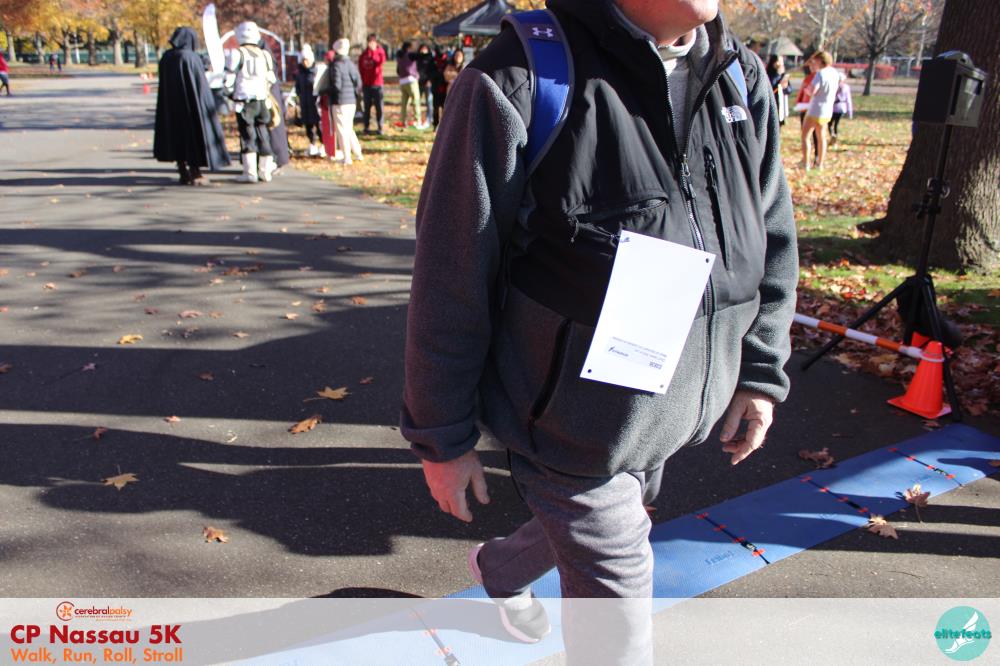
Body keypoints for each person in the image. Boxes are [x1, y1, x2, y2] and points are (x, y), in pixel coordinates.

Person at [401, 0, 797, 661]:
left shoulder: (739, 73)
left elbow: (772, 232)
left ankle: (500, 569)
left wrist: (759, 370)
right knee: (618, 574)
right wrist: (441, 437)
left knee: (616, 515)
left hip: (665, 414)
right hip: (569, 427)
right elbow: (451, 271)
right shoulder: (520, 73)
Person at [153, 27, 230, 185]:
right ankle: (195, 172)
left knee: (176, 136)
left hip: (171, 106)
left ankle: (182, 170)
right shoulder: (190, 57)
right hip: (191, 105)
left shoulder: (166, 57)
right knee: (193, 136)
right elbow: (199, 84)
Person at [224, 21, 277, 183]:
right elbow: (271, 78)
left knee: (248, 135)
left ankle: (250, 172)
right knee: (263, 133)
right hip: (262, 99)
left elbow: (228, 79)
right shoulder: (265, 55)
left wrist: (228, 94)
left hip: (244, 101)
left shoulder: (237, 54)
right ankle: (265, 170)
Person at [801, 50, 838, 170]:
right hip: (827, 109)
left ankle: (806, 163)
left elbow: (812, 90)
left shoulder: (820, 74)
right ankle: (820, 163)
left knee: (805, 136)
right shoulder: (834, 73)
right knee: (821, 137)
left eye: (815, 61)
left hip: (816, 109)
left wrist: (806, 89)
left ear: (820, 61)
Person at [329, 38, 363, 165]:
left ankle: (346, 157)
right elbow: (358, 82)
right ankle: (358, 153)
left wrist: (328, 92)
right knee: (349, 128)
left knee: (342, 130)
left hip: (340, 101)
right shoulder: (351, 64)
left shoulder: (336, 65)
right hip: (351, 101)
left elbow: (336, 85)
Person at [295, 44, 325, 156]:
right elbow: (298, 87)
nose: (305, 62)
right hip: (305, 102)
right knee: (308, 126)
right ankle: (312, 144)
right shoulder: (300, 73)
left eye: (306, 60)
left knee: (319, 125)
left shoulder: (316, 71)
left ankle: (323, 144)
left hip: (315, 103)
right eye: (303, 60)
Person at [358, 33, 386, 134]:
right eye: (369, 41)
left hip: (377, 84)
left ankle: (380, 127)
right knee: (367, 107)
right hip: (367, 85)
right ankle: (366, 127)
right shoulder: (364, 55)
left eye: (373, 41)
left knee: (379, 107)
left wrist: (374, 52)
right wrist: (362, 82)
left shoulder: (380, 52)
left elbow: (380, 62)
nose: (371, 43)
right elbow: (361, 68)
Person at [396, 41, 423, 128]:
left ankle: (403, 121)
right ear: (408, 48)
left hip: (402, 81)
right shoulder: (410, 55)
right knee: (416, 101)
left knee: (404, 103)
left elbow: (398, 70)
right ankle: (418, 121)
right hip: (411, 80)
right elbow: (420, 56)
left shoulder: (399, 56)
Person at [830, 74, 853, 146]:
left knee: (829, 123)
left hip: (833, 108)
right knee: (836, 124)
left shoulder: (833, 86)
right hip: (842, 108)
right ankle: (835, 137)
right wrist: (850, 112)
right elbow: (848, 100)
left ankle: (832, 134)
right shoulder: (846, 87)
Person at [766, 54, 789, 125]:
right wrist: (777, 74)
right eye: (779, 61)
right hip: (772, 102)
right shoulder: (768, 73)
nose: (780, 64)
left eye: (782, 62)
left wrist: (786, 87)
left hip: (781, 103)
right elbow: (771, 85)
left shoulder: (783, 74)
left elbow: (789, 90)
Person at [416, 44, 435, 127]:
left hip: (428, 83)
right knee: (417, 102)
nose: (423, 50)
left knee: (429, 102)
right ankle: (418, 119)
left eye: (425, 49)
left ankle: (429, 119)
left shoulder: (430, 59)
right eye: (422, 49)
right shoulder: (417, 58)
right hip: (418, 83)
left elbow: (433, 70)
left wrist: (430, 80)